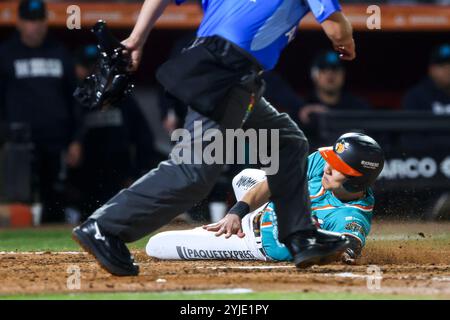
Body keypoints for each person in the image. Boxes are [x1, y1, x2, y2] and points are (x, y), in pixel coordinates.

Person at [73, 0, 357, 276]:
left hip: (225, 69)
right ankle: (105, 227)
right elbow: (336, 29)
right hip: (226, 71)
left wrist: (136, 38)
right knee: (193, 172)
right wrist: (347, 38)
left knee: (287, 141)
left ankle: (300, 236)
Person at [147, 133, 384, 264]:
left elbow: (347, 248)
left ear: (357, 180)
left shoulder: (351, 216)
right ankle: (234, 218)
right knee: (244, 177)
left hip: (255, 242)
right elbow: (274, 181)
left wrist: (333, 248)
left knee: (155, 245)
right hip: (262, 211)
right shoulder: (322, 163)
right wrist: (235, 213)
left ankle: (228, 236)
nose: (327, 168)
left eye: (338, 167)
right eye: (331, 160)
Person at [0, 0, 82, 223]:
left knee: (54, 198)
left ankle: (50, 254)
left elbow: (74, 98)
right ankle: (14, 254)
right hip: (18, 141)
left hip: (55, 140)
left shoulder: (60, 52)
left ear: (46, 22)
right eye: (29, 20)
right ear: (19, 23)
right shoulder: (6, 54)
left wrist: (76, 139)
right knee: (19, 198)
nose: (34, 26)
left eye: (39, 20)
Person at [71, 45, 162, 220]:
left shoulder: (122, 98)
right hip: (86, 179)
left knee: (115, 218)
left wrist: (135, 174)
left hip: (118, 176)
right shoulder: (77, 98)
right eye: (88, 68)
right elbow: (68, 141)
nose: (92, 73)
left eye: (96, 69)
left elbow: (144, 139)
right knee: (86, 220)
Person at [298, 50, 371, 149]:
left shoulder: (358, 106)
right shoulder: (303, 108)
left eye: (335, 69)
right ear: (314, 75)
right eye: (323, 69)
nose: (330, 74)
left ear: (343, 74)